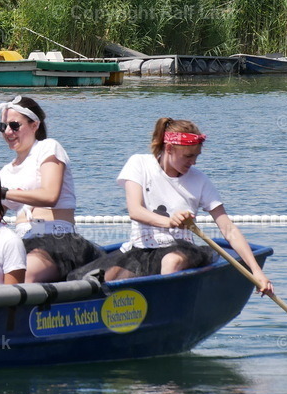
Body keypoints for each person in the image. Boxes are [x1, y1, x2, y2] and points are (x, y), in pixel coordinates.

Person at [75, 118, 273, 293]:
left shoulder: (200, 181)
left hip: (181, 249)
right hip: (140, 250)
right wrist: (169, 221)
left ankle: (165, 304)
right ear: (168, 148)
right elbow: (135, 210)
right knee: (96, 280)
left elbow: (228, 228)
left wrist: (256, 272)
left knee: (171, 260)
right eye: (188, 156)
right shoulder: (139, 164)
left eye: (196, 156)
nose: (193, 162)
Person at [0, 95, 102, 282]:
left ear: (34, 125)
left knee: (26, 275)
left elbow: (50, 195)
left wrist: (2, 193)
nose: (8, 132)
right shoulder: (5, 172)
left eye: (14, 126)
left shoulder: (48, 148)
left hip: (58, 240)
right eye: (3, 127)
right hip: (22, 242)